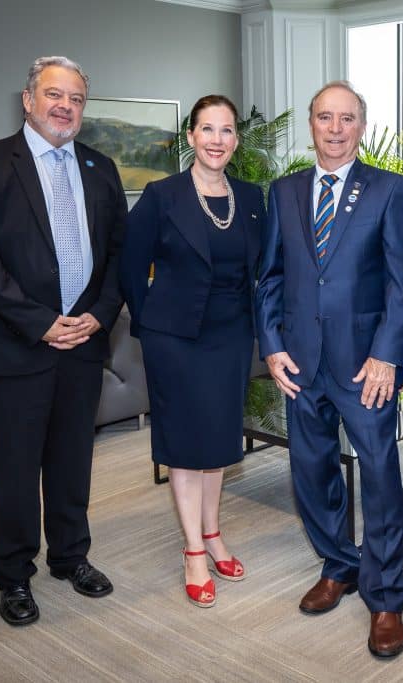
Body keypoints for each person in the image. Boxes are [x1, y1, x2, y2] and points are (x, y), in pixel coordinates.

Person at [0, 56, 126, 626]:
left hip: (84, 343)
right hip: (17, 343)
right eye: (54, 95)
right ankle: (12, 573)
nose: (65, 107)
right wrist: (39, 321)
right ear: (28, 100)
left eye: (76, 99)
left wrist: (99, 316)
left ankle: (70, 556)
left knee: (73, 459)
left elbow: (118, 255)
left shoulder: (100, 167)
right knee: (18, 468)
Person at [255, 81, 403, 658]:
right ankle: (339, 565)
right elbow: (270, 277)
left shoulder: (388, 189)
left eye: (346, 118)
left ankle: (386, 596)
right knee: (312, 470)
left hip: (365, 367)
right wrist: (272, 345)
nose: (335, 128)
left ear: (361, 126)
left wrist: (386, 355)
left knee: (379, 476)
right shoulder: (284, 191)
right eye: (325, 117)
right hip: (300, 363)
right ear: (311, 124)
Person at [120, 95, 264, 609]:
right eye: (207, 129)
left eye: (226, 130)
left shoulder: (251, 197)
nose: (217, 140)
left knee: (218, 441)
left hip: (231, 336)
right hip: (175, 340)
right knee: (184, 444)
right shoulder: (162, 196)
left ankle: (213, 532)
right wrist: (153, 324)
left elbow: (263, 270)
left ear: (236, 140)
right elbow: (129, 266)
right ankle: (193, 550)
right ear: (191, 136)